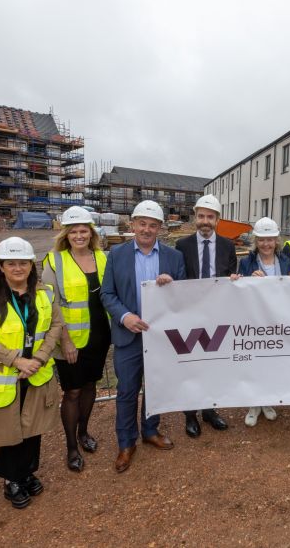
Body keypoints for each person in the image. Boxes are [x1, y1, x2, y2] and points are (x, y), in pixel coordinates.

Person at [0, 237, 63, 509]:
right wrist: (17, 361)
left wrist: (38, 359)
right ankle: (10, 480)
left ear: (31, 266)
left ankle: (26, 472)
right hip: (3, 378)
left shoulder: (44, 294)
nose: (18, 268)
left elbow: (55, 327)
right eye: (11, 263)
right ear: (0, 267)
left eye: (23, 263)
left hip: (35, 373)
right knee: (4, 430)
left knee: (31, 428)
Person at [100, 200, 186, 473]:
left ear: (160, 228)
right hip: (129, 335)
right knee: (126, 390)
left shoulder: (174, 258)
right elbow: (107, 294)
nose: (147, 229)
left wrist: (172, 287)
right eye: (142, 223)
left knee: (156, 386)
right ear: (133, 224)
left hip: (160, 336)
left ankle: (150, 430)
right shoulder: (117, 254)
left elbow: (184, 298)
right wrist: (125, 317)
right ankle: (126, 442)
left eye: (153, 225)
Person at [41, 206, 110, 472]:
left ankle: (84, 433)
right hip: (69, 340)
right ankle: (71, 446)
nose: (79, 236)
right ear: (65, 234)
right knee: (72, 392)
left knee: (90, 386)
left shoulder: (103, 257)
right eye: (74, 232)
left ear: (91, 233)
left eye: (84, 231)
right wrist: (65, 340)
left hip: (99, 335)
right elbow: (51, 305)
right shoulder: (54, 261)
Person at [174, 194, 236, 437]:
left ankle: (210, 410)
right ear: (195, 217)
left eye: (210, 217)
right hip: (190, 315)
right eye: (201, 216)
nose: (205, 221)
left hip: (217, 315)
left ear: (217, 220)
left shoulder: (228, 246)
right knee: (191, 365)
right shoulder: (182, 246)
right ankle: (190, 415)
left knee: (213, 365)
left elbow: (231, 276)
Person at [233, 217, 290, 426]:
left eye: (270, 239)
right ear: (256, 241)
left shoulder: (285, 261)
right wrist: (246, 278)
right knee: (255, 362)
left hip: (278, 320)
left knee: (272, 363)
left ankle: (267, 400)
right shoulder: (246, 262)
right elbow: (239, 290)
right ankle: (253, 404)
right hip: (255, 321)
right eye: (262, 240)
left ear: (276, 240)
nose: (266, 244)